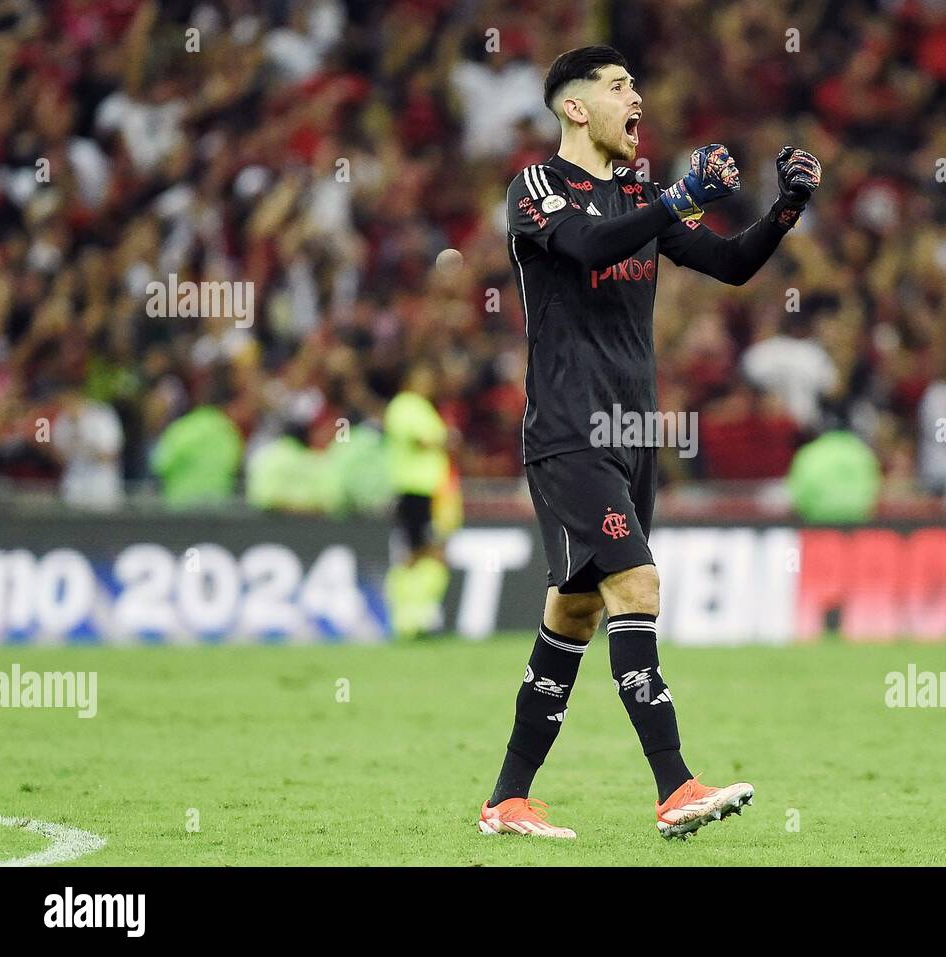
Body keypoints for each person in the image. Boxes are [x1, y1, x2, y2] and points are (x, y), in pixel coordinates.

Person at [482, 45, 822, 840]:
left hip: (634, 436)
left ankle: (507, 798)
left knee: (572, 612)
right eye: (618, 85)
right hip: (569, 433)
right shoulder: (538, 189)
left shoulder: (639, 192)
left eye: (637, 82)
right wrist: (678, 197)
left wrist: (784, 207)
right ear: (574, 107)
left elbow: (731, 264)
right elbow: (588, 248)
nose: (637, 96)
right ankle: (675, 785)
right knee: (635, 585)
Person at [383, 363, 455, 640]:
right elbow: (420, 440)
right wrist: (444, 439)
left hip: (431, 492)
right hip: (414, 491)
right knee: (418, 554)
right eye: (422, 377)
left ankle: (418, 615)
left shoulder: (423, 407)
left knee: (427, 552)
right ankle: (407, 617)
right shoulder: (404, 405)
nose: (427, 383)